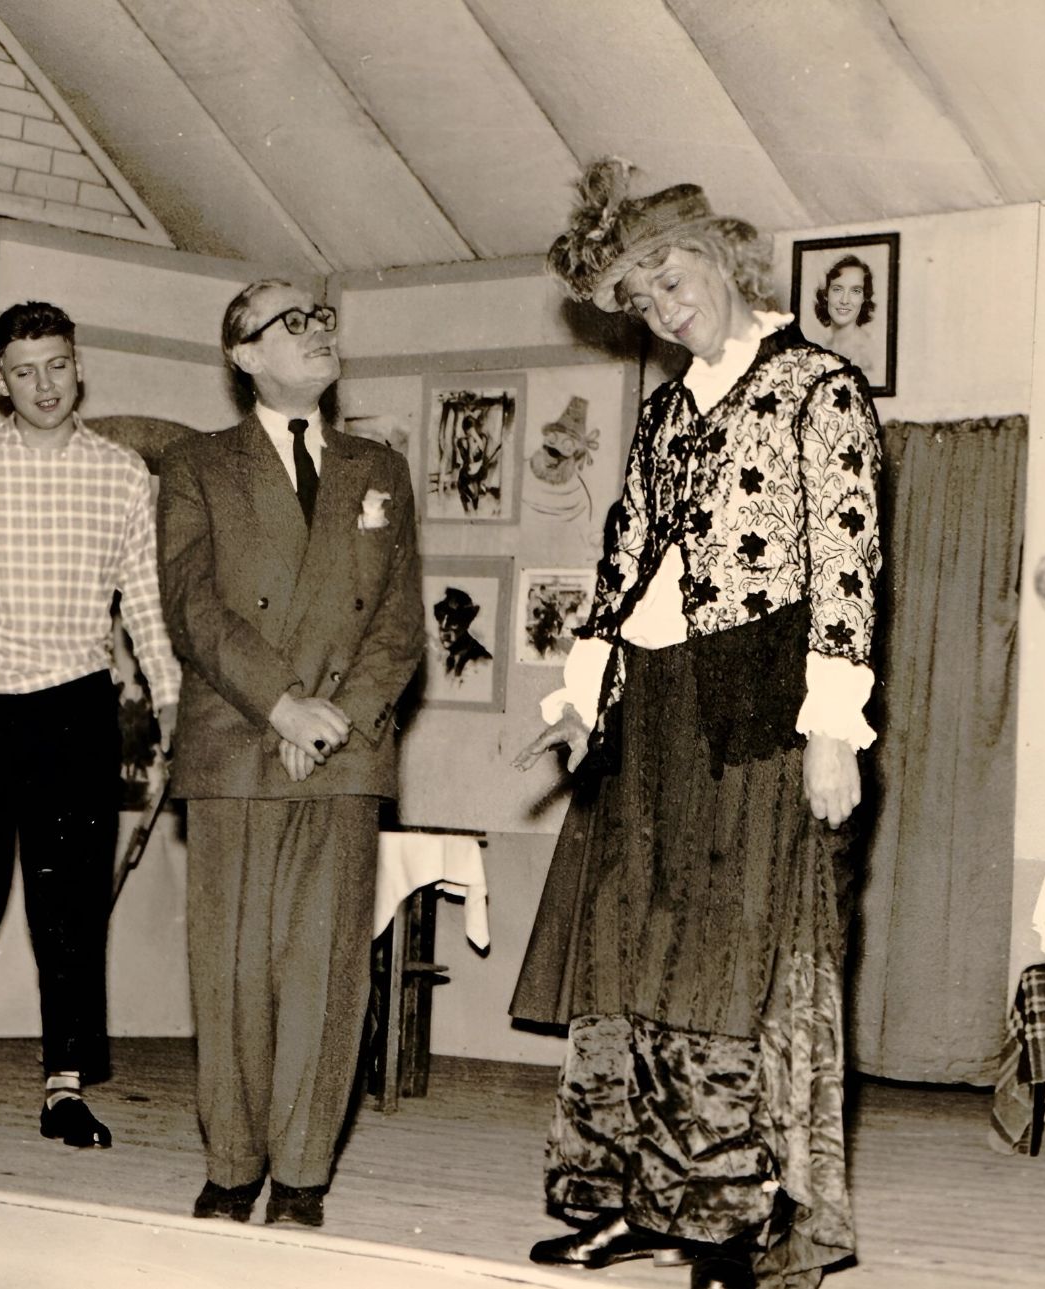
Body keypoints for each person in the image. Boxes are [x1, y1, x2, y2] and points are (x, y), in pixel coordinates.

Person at [511, 160, 883, 1289]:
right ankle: (636, 1198)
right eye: (641, 301)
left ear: (723, 256)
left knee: (728, 962)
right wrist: (578, 694)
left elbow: (849, 563)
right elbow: (625, 558)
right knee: (631, 949)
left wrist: (833, 724)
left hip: (760, 701)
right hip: (654, 704)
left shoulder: (820, 386)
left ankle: (726, 1215)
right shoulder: (666, 409)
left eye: (670, 281)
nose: (664, 311)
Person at [0, 300, 179, 1151]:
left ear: (78, 366)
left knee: (72, 908)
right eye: (24, 371)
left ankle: (66, 1087)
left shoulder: (123, 473)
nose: (44, 385)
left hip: (74, 707)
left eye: (57, 365)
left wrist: (169, 696)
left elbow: (145, 596)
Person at [161, 279, 423, 1228]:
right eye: (292, 323)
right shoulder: (198, 465)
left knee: (324, 969)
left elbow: (398, 623)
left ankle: (303, 1173)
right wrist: (282, 706)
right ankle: (234, 1165)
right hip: (238, 743)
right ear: (244, 354)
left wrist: (334, 719)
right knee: (232, 969)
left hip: (345, 750)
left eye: (322, 319)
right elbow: (193, 607)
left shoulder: (380, 467)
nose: (318, 334)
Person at [811, 254, 885, 387]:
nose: (845, 300)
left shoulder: (869, 352)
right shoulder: (819, 349)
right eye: (837, 289)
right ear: (826, 294)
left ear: (864, 298)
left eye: (855, 291)